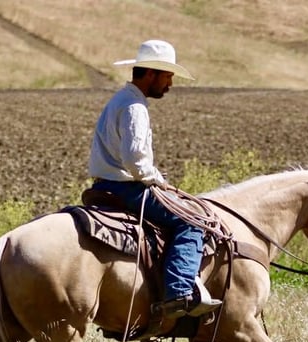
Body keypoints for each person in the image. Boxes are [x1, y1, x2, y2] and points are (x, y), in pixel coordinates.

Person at [88, 39, 221, 321]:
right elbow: (135, 160)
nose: (170, 84)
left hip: (105, 184)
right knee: (192, 221)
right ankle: (178, 292)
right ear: (151, 74)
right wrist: (160, 182)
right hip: (127, 187)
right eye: (167, 76)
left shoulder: (119, 100)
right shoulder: (135, 107)